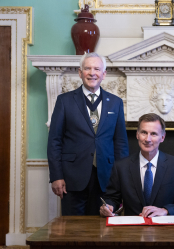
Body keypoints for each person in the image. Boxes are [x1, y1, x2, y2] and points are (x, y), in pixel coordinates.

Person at [47, 52, 129, 215]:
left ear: (104, 74)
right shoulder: (65, 101)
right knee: (73, 228)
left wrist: (123, 180)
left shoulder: (115, 102)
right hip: (72, 177)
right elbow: (54, 141)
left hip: (106, 177)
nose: (92, 73)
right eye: (88, 68)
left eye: (97, 69)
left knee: (101, 229)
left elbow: (120, 143)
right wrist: (56, 176)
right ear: (80, 72)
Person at [100, 113, 174, 217]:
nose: (147, 139)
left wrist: (164, 210)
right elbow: (112, 198)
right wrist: (108, 207)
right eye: (144, 132)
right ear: (137, 135)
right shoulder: (121, 167)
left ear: (162, 137)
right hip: (132, 229)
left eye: (153, 134)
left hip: (165, 229)